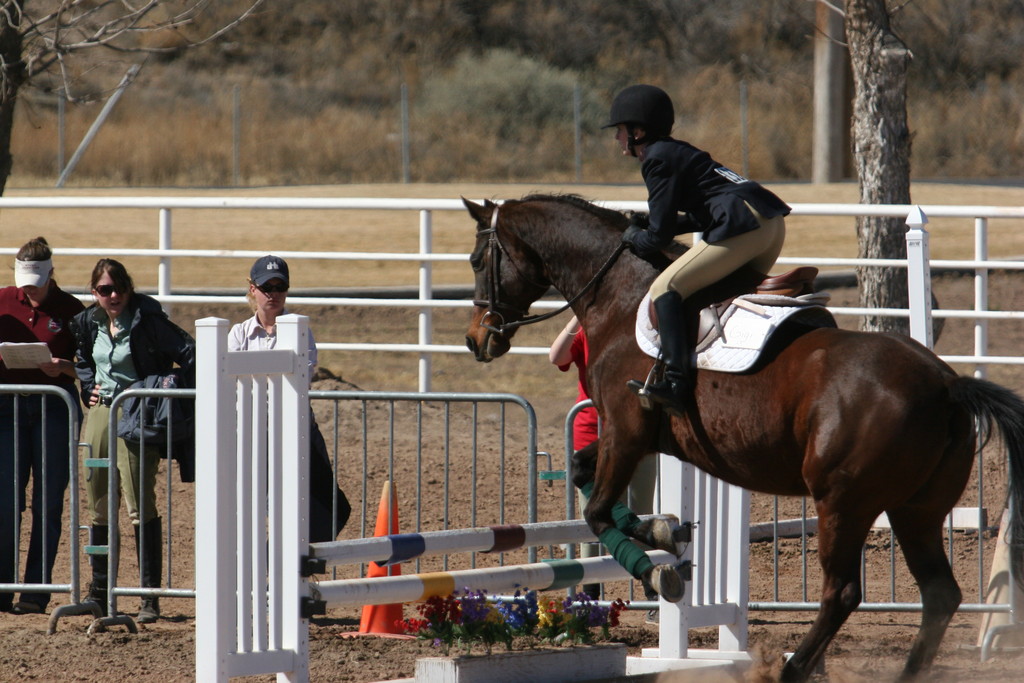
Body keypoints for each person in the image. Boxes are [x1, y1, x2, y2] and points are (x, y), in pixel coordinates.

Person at [608, 84, 790, 416]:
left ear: (639, 130)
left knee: (666, 287)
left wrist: (632, 236)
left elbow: (658, 239)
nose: (617, 138)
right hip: (769, 223)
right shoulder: (675, 150)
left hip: (742, 225)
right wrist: (649, 224)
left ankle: (676, 384)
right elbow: (696, 216)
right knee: (711, 294)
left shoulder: (656, 159)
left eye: (620, 130)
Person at [71, 258, 196, 623]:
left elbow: (188, 352)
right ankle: (99, 590)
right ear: (94, 292)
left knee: (139, 501)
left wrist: (161, 389)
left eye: (118, 288)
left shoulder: (147, 321)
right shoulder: (87, 322)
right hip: (100, 413)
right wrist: (86, 387)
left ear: (128, 288)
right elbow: (83, 359)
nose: (113, 296)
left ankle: (148, 595)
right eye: (104, 290)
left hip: (136, 415)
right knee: (98, 501)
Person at [228, 255, 351, 543]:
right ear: (252, 289)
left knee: (332, 507)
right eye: (266, 287)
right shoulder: (237, 333)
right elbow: (231, 385)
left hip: (297, 431)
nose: (273, 294)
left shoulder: (300, 331)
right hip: (254, 434)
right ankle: (271, 564)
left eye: (279, 287)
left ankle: (295, 563)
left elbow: (299, 383)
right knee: (263, 507)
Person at [550, 315, 659, 619]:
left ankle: (654, 592)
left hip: (639, 437)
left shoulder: (641, 329)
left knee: (642, 516)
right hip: (591, 437)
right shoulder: (587, 330)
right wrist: (577, 315)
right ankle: (590, 597)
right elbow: (555, 356)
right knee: (595, 520)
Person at [0, 238, 85, 615]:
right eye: (24, 280)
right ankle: (4, 587)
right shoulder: (3, 300)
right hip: (7, 411)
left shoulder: (72, 311)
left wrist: (63, 366)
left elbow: (87, 366)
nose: (28, 288)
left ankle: (35, 590)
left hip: (54, 409)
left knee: (47, 502)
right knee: (6, 502)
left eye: (35, 279)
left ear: (51, 274)